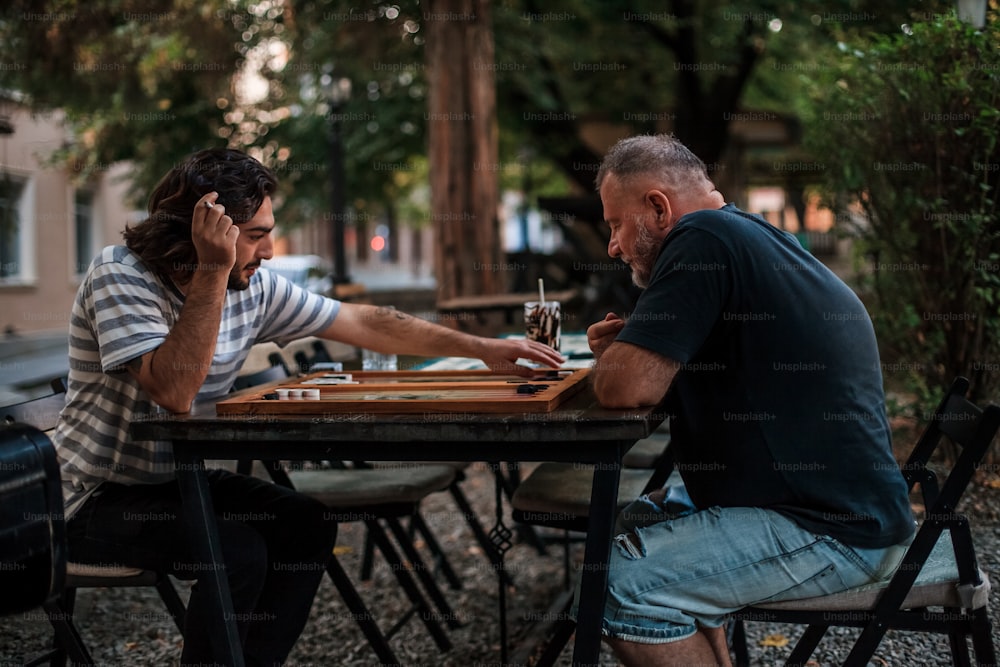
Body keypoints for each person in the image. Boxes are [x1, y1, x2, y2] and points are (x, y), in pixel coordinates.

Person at [53, 147, 564, 666]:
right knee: (238, 553)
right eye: (254, 235)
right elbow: (174, 391)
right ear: (202, 233)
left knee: (308, 525)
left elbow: (366, 321)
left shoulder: (250, 286)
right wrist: (212, 270)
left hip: (174, 485)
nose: (270, 250)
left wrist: (483, 349)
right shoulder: (121, 275)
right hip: (87, 498)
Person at [585, 134, 914, 667]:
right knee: (634, 523)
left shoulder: (703, 240)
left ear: (658, 207)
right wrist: (627, 353)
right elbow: (645, 368)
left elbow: (627, 389)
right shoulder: (739, 233)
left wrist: (618, 361)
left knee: (615, 586)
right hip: (834, 506)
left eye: (615, 225)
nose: (613, 247)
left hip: (834, 528)